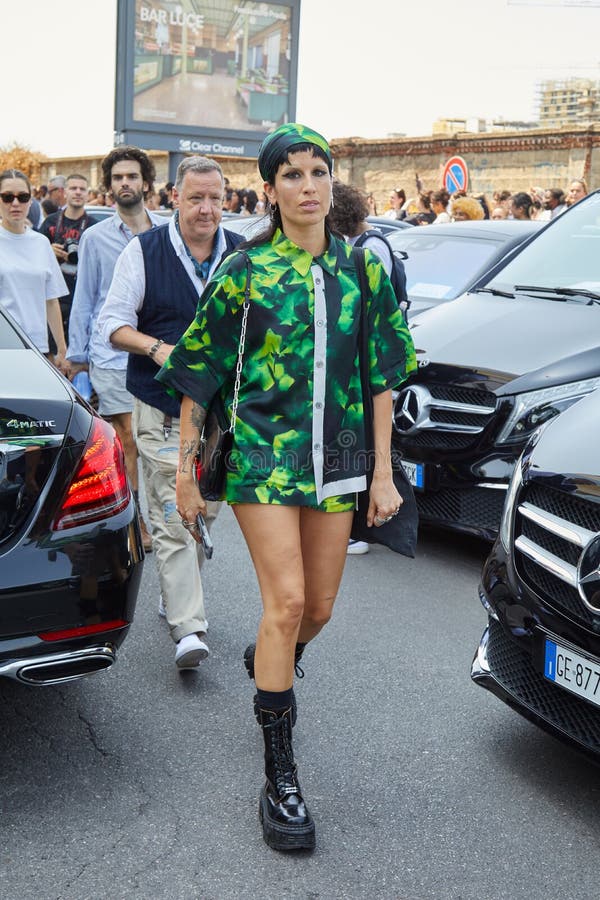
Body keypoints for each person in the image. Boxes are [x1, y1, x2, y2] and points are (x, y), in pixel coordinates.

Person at [156, 123, 416, 852]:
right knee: (289, 600)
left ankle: (269, 656)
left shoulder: (363, 271)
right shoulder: (245, 271)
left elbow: (382, 378)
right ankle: (281, 778)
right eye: (292, 175)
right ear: (268, 191)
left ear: (332, 183)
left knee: (321, 609)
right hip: (263, 460)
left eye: (317, 172)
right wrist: (184, 471)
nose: (307, 186)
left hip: (337, 459)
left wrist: (384, 472)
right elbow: (198, 377)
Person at [97, 156, 243, 670]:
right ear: (174, 198)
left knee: (206, 506)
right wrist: (158, 348)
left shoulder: (243, 256)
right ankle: (189, 629)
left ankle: (176, 587)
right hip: (159, 405)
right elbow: (113, 324)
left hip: (222, 416)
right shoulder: (144, 251)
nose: (206, 209)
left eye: (215, 199)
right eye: (196, 198)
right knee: (171, 509)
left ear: (226, 201)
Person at [67, 146, 163, 553]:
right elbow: (85, 299)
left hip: (157, 352)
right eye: (118, 178)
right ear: (109, 186)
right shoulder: (95, 237)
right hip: (110, 355)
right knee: (125, 438)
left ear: (145, 183)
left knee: (154, 441)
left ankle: (164, 517)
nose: (126, 183)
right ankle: (135, 520)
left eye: (132, 176)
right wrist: (76, 355)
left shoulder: (165, 231)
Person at [0, 169, 69, 371]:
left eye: (22, 197)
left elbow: (51, 300)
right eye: (7, 197)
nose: (15, 203)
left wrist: (62, 349)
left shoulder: (41, 243)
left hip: (37, 348)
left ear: (31, 201)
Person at [39, 174, 99, 343]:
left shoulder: (94, 226)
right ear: (65, 192)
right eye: (73, 188)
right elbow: (34, 256)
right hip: (52, 299)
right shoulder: (50, 222)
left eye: (82, 189)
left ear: (87, 194)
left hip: (80, 300)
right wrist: (48, 251)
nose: (78, 192)